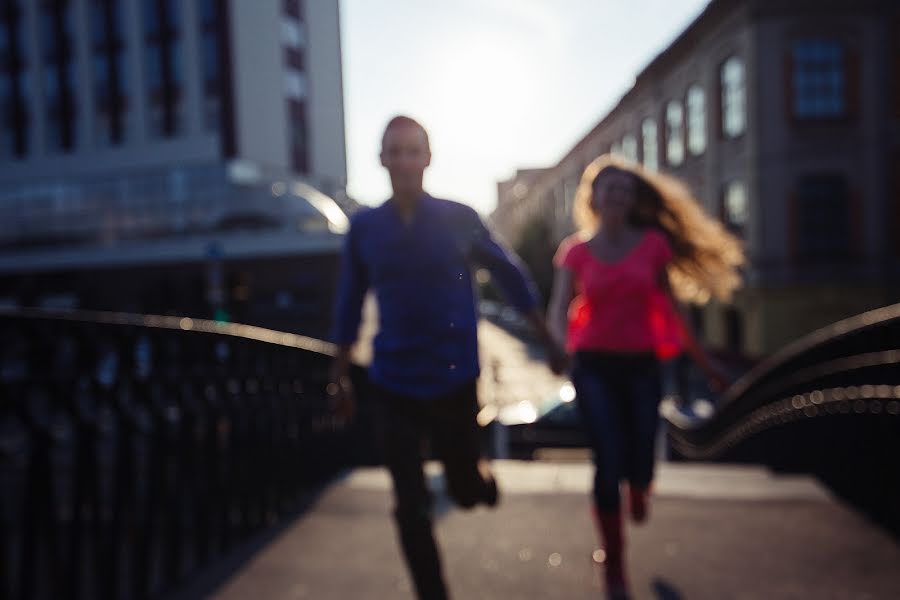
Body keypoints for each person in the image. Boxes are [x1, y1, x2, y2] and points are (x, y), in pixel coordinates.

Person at [329, 115, 565, 600]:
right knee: (409, 504)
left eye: (412, 150)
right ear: (381, 159)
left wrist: (551, 341)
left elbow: (512, 275)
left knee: (462, 491)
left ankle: (476, 479)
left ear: (428, 157)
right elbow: (349, 302)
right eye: (393, 151)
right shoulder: (366, 228)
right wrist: (340, 377)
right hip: (392, 380)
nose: (403, 161)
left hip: (454, 377)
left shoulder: (459, 217)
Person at [547, 154, 744, 599]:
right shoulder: (574, 251)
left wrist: (710, 366)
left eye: (624, 189)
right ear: (592, 197)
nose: (617, 195)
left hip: (641, 364)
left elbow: (676, 314)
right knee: (606, 458)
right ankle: (614, 563)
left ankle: (639, 487)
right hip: (593, 364)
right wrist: (558, 344)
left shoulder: (653, 244)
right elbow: (559, 306)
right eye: (608, 188)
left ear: (632, 199)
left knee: (640, 453)